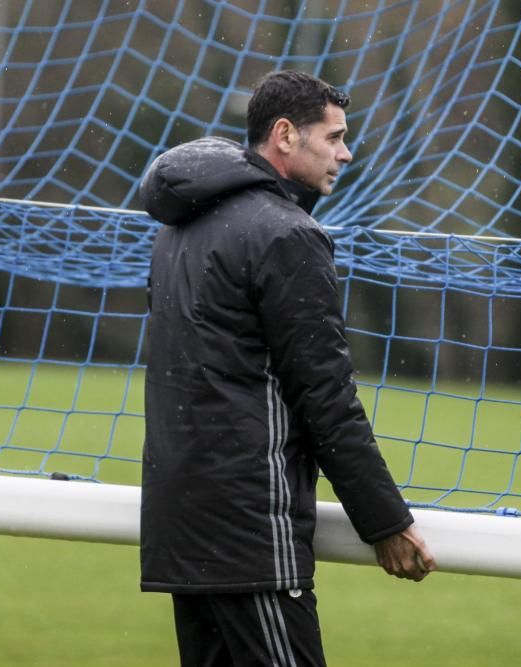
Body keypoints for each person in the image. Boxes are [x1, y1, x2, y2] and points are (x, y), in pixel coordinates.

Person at [138, 70, 436, 666]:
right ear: (284, 135)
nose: (345, 154)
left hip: (183, 524)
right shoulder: (286, 235)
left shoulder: (182, 226)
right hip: (251, 533)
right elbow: (325, 396)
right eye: (334, 137)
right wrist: (385, 523)